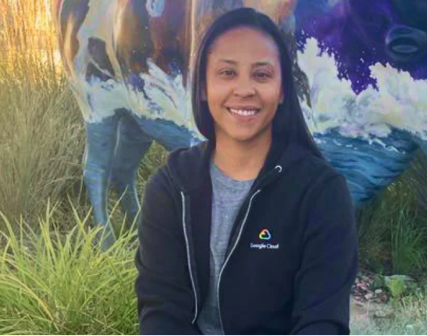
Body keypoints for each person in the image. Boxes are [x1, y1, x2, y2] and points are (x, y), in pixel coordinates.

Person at [135, 7, 358, 336]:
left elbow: (322, 321)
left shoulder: (322, 193)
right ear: (202, 87)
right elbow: (161, 315)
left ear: (282, 90)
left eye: (262, 75)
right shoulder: (171, 188)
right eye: (227, 73)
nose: (244, 89)